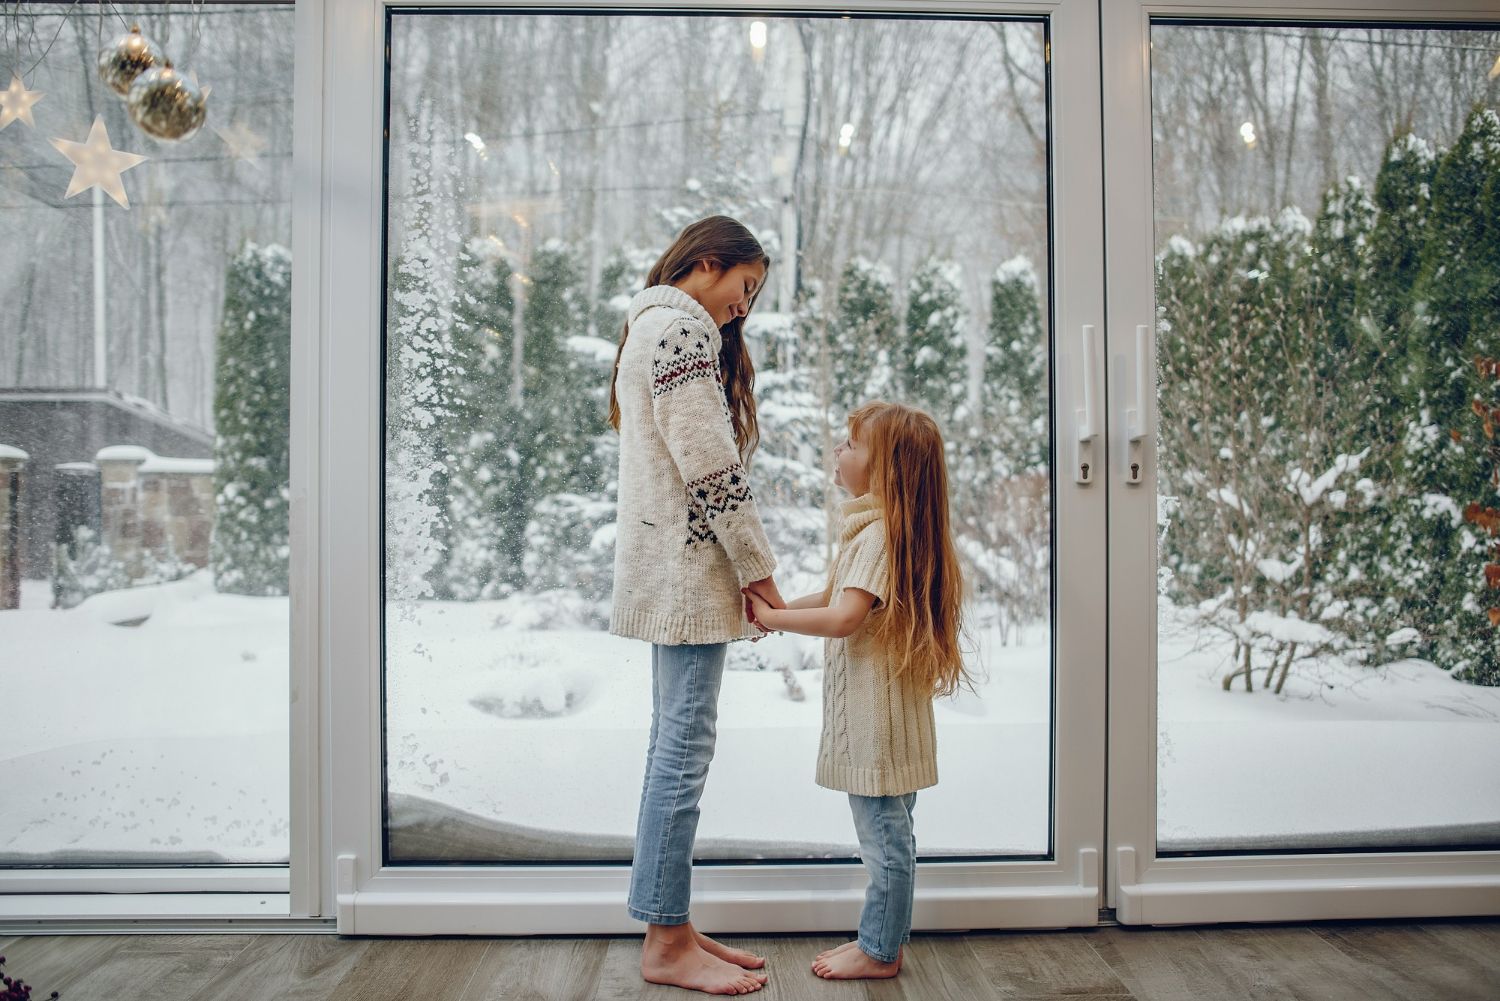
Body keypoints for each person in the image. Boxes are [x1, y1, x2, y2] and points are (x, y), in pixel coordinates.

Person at [608, 215, 785, 995]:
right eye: (744, 288)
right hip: (688, 575)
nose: (743, 309)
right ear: (707, 263)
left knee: (670, 746)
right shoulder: (681, 337)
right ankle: (665, 939)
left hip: (664, 571)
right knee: (683, 750)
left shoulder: (647, 329)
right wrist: (758, 570)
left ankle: (668, 920)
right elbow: (711, 468)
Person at [745, 401, 968, 981]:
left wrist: (777, 620)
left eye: (849, 444)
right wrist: (772, 612)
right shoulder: (883, 531)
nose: (837, 453)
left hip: (877, 724)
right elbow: (833, 594)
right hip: (892, 720)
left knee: (885, 843)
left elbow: (844, 616)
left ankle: (880, 949)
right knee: (893, 836)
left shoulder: (879, 537)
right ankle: (880, 941)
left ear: (886, 468)